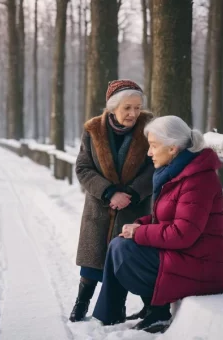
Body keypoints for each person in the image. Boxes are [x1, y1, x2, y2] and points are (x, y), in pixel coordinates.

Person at [92, 115, 223, 333]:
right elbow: (168, 219)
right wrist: (138, 225)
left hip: (201, 267)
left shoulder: (198, 179)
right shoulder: (177, 173)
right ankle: (114, 313)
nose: (149, 153)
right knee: (120, 240)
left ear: (172, 148)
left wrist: (140, 232)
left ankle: (158, 313)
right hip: (187, 257)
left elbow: (183, 233)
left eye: (153, 146)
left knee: (124, 249)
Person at [69, 80, 155, 322]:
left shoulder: (149, 129)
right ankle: (82, 302)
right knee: (92, 260)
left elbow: (154, 167)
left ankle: (144, 307)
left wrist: (133, 193)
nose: (133, 113)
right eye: (127, 108)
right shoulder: (93, 129)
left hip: (134, 206)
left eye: (137, 108)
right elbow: (83, 168)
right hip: (99, 205)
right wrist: (108, 192)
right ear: (113, 107)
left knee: (128, 258)